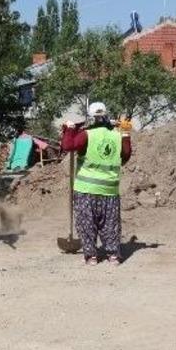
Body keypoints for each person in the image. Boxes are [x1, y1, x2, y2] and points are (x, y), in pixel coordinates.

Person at [61, 102, 132, 266]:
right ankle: (113, 255)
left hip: (86, 189)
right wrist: (126, 134)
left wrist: (69, 129)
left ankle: (91, 256)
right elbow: (126, 156)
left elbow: (67, 145)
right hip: (110, 189)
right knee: (111, 224)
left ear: (90, 118)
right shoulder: (116, 135)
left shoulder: (87, 135)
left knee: (87, 223)